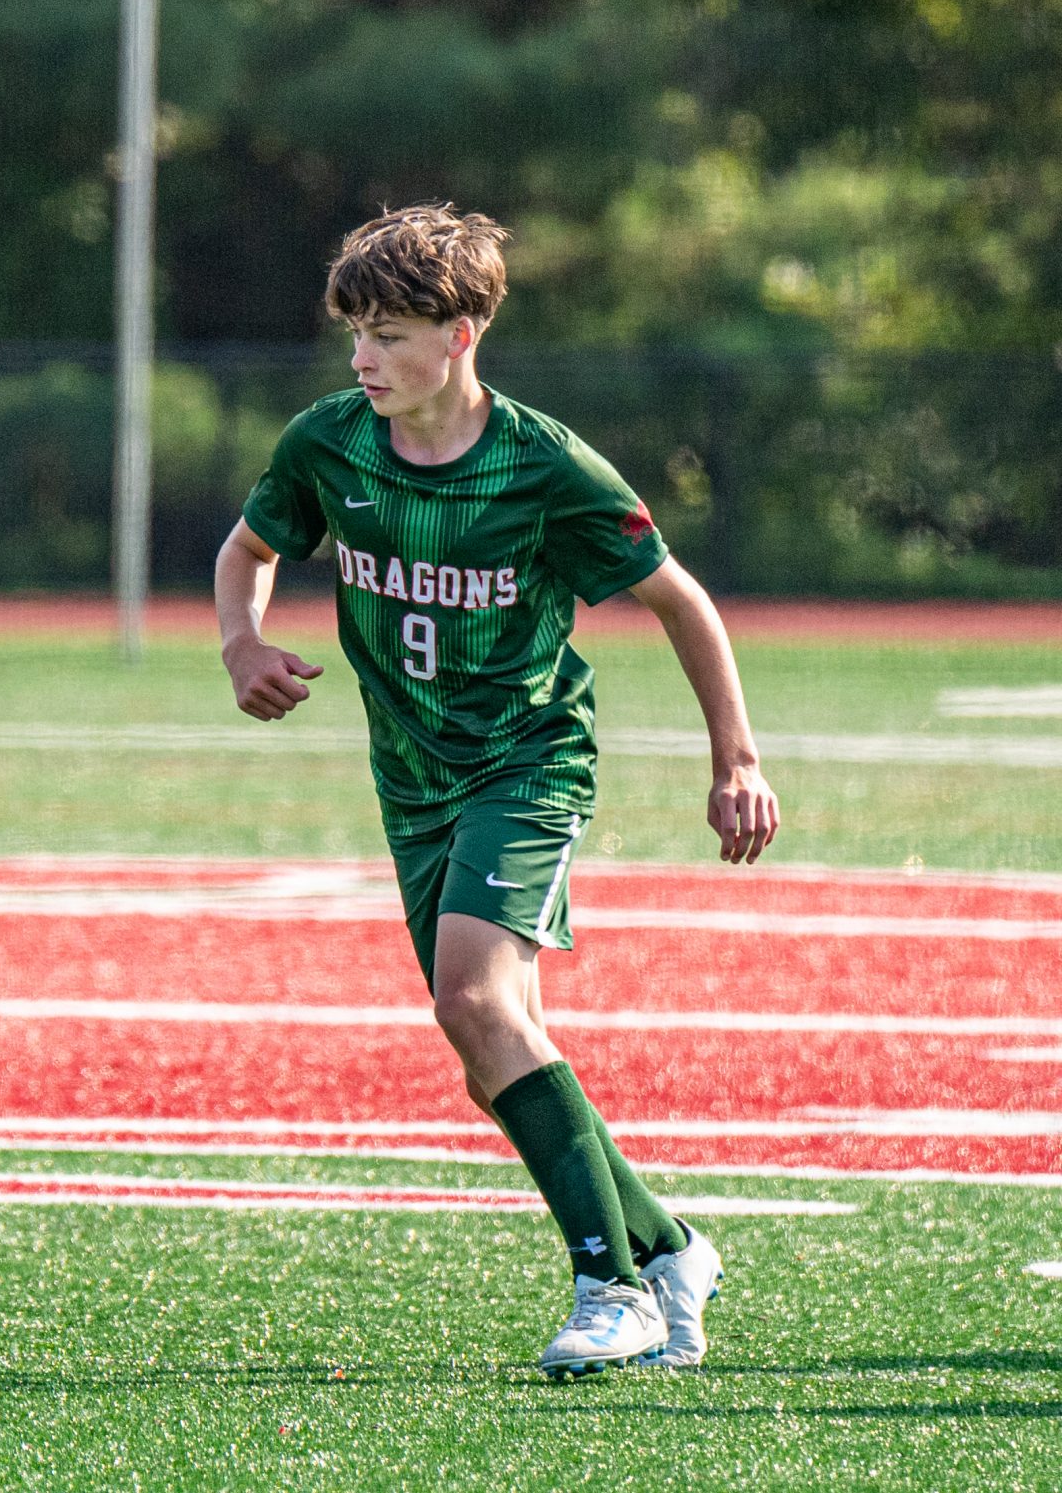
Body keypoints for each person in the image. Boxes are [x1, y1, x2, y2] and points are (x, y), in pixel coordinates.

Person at [216, 204, 779, 1377]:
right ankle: (669, 1248)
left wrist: (735, 757)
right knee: (489, 1048)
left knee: (478, 1004)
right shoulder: (329, 442)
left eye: (388, 335)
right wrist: (240, 642)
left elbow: (680, 599)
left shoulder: (543, 464)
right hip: (409, 776)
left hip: (525, 760)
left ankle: (609, 1287)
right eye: (353, 336)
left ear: (461, 333)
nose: (363, 359)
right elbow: (248, 550)